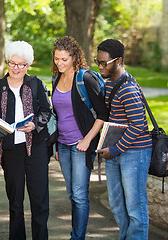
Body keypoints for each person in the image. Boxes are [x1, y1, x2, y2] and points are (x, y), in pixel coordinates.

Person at [0, 41, 51, 240]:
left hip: (36, 148)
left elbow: (46, 111)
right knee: (15, 202)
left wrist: (35, 125)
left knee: (39, 201)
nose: (16, 68)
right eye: (12, 63)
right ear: (7, 63)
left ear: (28, 66)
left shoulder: (36, 84)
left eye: (21, 64)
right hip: (11, 150)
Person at [50, 36, 108, 239]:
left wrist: (87, 140)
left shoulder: (85, 79)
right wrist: (56, 145)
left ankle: (77, 236)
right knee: (72, 194)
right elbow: (57, 116)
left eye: (64, 59)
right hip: (63, 145)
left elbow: (102, 114)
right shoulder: (56, 78)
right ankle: (76, 233)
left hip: (80, 144)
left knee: (80, 195)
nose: (60, 63)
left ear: (74, 57)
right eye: (57, 59)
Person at [96, 39, 153, 240]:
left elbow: (138, 125)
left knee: (135, 208)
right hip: (115, 153)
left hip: (134, 153)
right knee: (118, 206)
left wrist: (115, 149)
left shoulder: (127, 89)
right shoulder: (109, 83)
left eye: (105, 63)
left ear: (118, 61)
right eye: (98, 62)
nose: (100, 67)